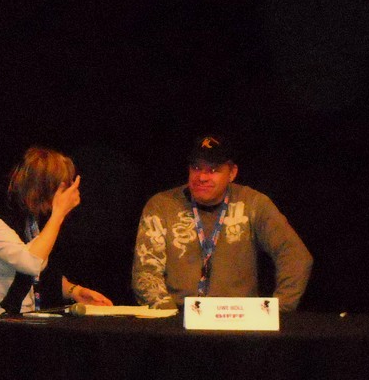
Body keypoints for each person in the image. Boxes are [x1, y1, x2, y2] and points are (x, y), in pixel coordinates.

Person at [0, 146, 112, 369]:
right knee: (45, 364)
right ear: (44, 188)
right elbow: (31, 263)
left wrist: (75, 291)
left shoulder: (27, 219)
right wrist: (58, 215)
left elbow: (40, 270)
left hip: (9, 323)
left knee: (74, 353)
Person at [132, 134, 313, 312]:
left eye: (213, 170)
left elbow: (295, 256)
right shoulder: (162, 205)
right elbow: (146, 272)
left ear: (232, 173)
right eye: (196, 167)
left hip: (238, 318)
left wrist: (277, 311)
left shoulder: (253, 203)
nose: (202, 177)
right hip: (178, 316)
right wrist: (170, 318)